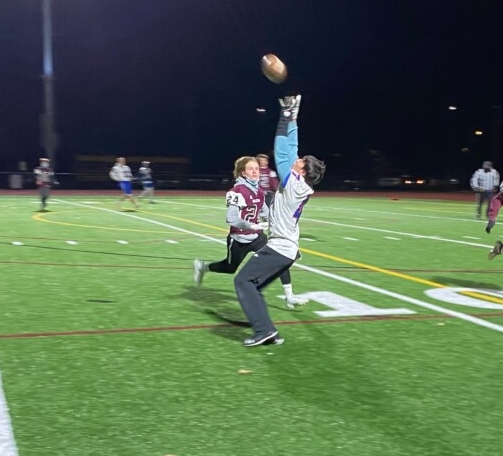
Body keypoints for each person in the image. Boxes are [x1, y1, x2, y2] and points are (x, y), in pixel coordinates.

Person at [234, 94, 326, 346]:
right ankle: (261, 323)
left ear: (303, 171)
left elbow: (282, 152)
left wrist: (285, 118)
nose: (297, 159)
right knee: (254, 285)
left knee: (243, 281)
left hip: (280, 248)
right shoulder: (300, 182)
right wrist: (291, 119)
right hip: (287, 249)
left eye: (300, 162)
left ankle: (264, 330)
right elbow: (291, 149)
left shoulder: (295, 183)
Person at [193, 156, 309, 309]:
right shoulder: (236, 191)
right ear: (243, 173)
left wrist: (278, 223)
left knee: (281, 256)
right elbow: (231, 218)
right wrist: (250, 225)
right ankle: (203, 267)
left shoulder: (260, 192)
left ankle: (289, 296)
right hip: (239, 239)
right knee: (230, 268)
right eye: (250, 169)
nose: (255, 171)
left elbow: (267, 213)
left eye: (256, 168)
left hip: (257, 238)